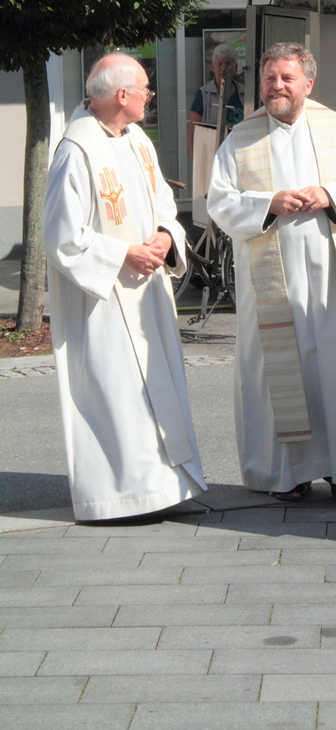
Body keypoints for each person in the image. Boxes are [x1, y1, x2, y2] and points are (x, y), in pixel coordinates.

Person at [207, 42, 336, 500]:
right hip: (271, 283)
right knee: (279, 374)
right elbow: (220, 202)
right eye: (270, 78)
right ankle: (286, 474)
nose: (277, 86)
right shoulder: (240, 138)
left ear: (308, 84)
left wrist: (331, 196)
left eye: (287, 78)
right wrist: (267, 204)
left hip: (332, 277)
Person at [42, 53, 207, 521]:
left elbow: (163, 203)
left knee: (156, 388)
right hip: (104, 301)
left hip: (146, 292)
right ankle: (120, 498)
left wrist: (165, 236)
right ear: (121, 95)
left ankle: (164, 488)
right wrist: (122, 254)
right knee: (118, 394)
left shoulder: (137, 140)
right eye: (145, 89)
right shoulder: (77, 150)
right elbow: (60, 236)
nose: (149, 97)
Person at [189, 42, 244, 156]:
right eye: (219, 64)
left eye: (228, 64)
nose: (223, 68)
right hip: (211, 155)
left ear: (235, 67)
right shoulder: (202, 94)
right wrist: (196, 160)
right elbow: (193, 131)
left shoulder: (244, 93)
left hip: (238, 154)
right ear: (213, 67)